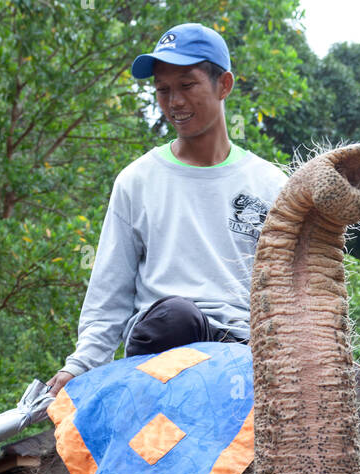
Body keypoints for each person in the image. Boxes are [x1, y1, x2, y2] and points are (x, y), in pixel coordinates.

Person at [46, 23, 287, 397]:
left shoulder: (269, 185)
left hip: (242, 349)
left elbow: (286, 291)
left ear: (223, 84)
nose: (174, 102)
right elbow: (109, 294)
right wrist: (79, 366)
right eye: (163, 90)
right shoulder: (137, 181)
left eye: (187, 85)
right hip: (164, 341)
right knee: (178, 317)